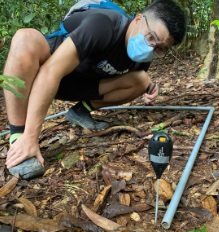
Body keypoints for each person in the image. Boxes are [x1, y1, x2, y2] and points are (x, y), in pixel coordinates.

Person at [3, 0, 186, 179]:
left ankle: (81, 110)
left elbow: (137, 79)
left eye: (160, 48)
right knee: (25, 39)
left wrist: (150, 89)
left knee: (142, 79)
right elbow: (50, 72)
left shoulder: (144, 54)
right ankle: (19, 138)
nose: (151, 48)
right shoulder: (104, 24)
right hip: (46, 73)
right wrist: (31, 136)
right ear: (138, 19)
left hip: (80, 85)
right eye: (151, 37)